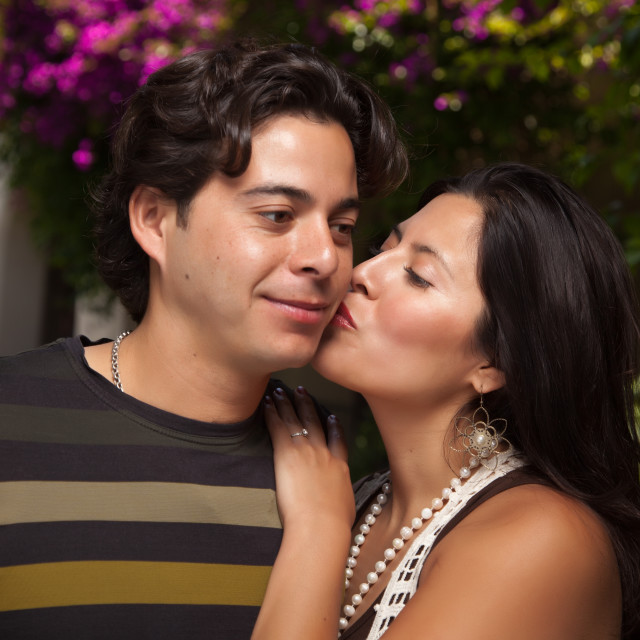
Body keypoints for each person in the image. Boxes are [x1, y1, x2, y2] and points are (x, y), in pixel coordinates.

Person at [0, 40, 408, 638]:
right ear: (155, 220)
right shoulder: (12, 416)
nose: (326, 258)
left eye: (342, 227)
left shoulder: (339, 483)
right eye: (276, 215)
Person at [256, 162, 640, 640]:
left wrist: (318, 528)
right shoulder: (358, 499)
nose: (360, 273)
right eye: (382, 248)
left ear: (493, 364)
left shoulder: (544, 540)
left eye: (418, 275)